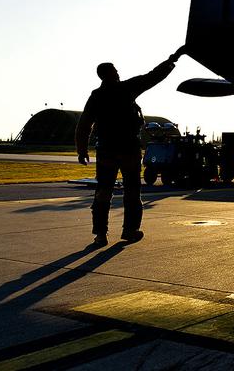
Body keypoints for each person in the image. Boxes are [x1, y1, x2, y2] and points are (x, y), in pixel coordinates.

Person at [76, 49, 184, 246]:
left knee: (103, 192)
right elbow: (153, 77)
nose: (118, 73)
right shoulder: (126, 89)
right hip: (128, 150)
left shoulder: (96, 96)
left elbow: (84, 124)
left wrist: (81, 150)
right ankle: (130, 230)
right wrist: (172, 59)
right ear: (109, 74)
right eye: (115, 71)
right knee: (132, 192)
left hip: (106, 151)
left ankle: (100, 234)